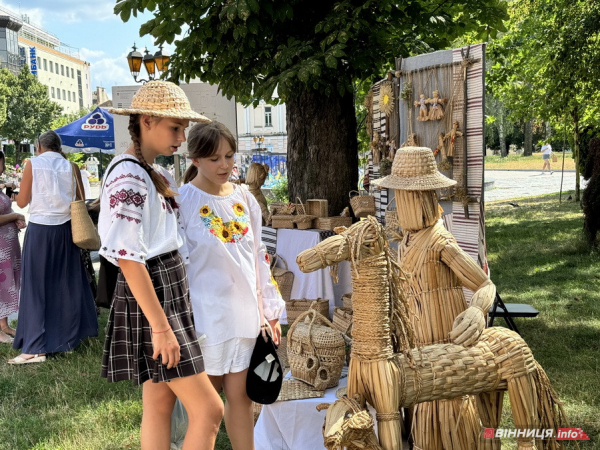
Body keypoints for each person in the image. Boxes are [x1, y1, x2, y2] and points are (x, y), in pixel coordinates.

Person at [100, 81, 224, 450]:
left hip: (161, 290)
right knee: (209, 410)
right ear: (147, 120)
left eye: (184, 128)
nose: (182, 136)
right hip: (153, 295)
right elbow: (127, 255)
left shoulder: (150, 171)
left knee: (159, 403)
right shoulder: (131, 176)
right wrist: (160, 328)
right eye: (175, 127)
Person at [179, 121, 285, 450]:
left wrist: (269, 311)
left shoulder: (245, 198)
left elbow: (258, 256)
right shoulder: (183, 201)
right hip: (206, 319)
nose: (224, 165)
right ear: (194, 159)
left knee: (241, 398)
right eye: (214, 159)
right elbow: (179, 265)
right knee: (205, 410)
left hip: (245, 317)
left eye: (229, 156)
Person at [10, 131, 98, 364]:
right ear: (59, 147)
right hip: (68, 229)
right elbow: (79, 198)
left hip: (41, 230)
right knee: (66, 284)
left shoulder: (33, 164)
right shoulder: (72, 167)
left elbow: (21, 202)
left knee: (36, 287)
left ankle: (35, 347)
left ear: (39, 146)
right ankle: (68, 340)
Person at [0, 151, 24, 344]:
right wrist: (15, 217)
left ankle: (5, 325)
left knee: (6, 286)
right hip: (0, 248)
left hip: (8, 247)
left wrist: (17, 217)